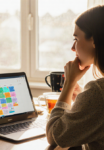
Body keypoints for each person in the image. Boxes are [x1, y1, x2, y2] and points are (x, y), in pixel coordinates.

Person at [46, 5, 104, 150]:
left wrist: (69, 83)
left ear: (94, 40)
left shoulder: (98, 91)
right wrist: (83, 98)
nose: (73, 47)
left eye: (76, 38)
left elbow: (54, 136)